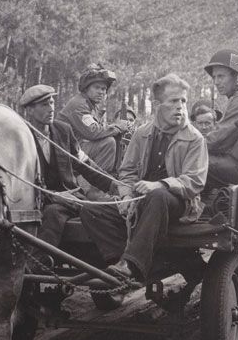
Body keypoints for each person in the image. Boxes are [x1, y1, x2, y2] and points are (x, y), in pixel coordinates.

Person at [79, 74, 208, 286]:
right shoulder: (142, 133)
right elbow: (127, 171)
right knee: (90, 210)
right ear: (157, 105)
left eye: (184, 101)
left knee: (157, 196)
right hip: (141, 200)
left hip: (179, 203)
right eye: (174, 101)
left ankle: (131, 264)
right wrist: (126, 195)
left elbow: (194, 181)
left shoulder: (194, 138)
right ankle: (117, 264)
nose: (180, 107)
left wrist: (160, 184)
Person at [18, 84, 112, 253]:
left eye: (52, 103)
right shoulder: (21, 136)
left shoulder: (63, 130)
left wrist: (115, 186)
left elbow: (85, 164)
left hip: (71, 198)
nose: (51, 108)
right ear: (29, 111)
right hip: (36, 202)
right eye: (44, 105)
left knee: (101, 209)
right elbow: (18, 180)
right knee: (53, 213)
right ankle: (38, 264)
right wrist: (53, 196)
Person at [202, 49, 238, 189]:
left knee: (194, 160)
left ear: (237, 76)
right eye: (214, 77)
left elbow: (219, 139)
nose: (216, 82)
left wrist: (189, 146)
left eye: (221, 76)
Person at [58, 64, 130, 174]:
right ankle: (96, 187)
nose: (101, 92)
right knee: (108, 143)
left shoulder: (90, 105)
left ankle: (111, 176)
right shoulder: (79, 104)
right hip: (64, 153)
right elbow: (93, 132)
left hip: (74, 148)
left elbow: (96, 130)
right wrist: (118, 127)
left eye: (104, 89)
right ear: (86, 88)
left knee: (113, 140)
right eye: (96, 87)